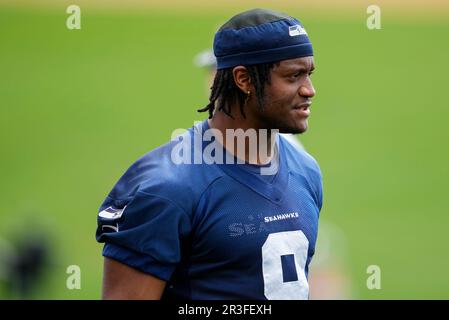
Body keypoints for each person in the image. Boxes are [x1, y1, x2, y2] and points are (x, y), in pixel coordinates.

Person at [96, 8, 322, 300]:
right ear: (244, 80)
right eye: (293, 76)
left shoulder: (306, 170)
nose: (309, 90)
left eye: (309, 74)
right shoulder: (166, 189)